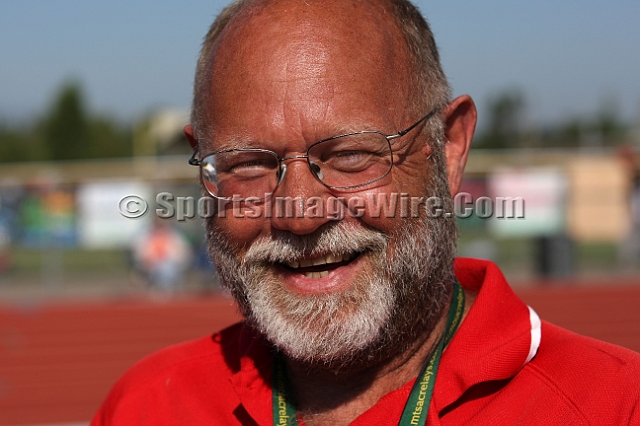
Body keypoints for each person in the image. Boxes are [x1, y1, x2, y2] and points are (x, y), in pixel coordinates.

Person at [92, 0, 640, 424]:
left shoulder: (614, 406)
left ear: (448, 149)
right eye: (249, 164)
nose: (300, 215)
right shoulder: (147, 407)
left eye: (351, 155)